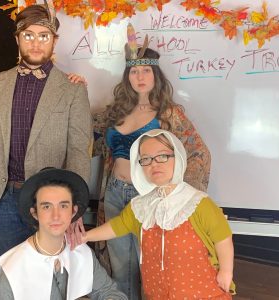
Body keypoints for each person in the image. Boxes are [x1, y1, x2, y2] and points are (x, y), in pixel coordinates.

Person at [89, 24, 211, 299]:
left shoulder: (168, 114)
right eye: (134, 71)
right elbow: (84, 139)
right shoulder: (114, 112)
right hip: (114, 195)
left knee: (153, 264)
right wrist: (74, 87)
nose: (139, 76)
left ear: (155, 74)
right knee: (121, 267)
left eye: (145, 70)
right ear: (127, 76)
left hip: (150, 197)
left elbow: (199, 153)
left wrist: (179, 197)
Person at [0, 3, 92, 261]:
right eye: (28, 35)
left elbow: (79, 152)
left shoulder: (72, 90)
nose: (36, 43)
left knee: (49, 276)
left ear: (54, 41)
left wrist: (74, 208)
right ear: (17, 39)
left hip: (52, 201)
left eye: (43, 36)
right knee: (7, 273)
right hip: (5, 199)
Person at [79, 129, 235, 299]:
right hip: (158, 293)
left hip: (202, 292)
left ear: (178, 157)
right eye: (146, 159)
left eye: (162, 156)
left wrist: (226, 271)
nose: (154, 164)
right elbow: (117, 226)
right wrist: (85, 237)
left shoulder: (198, 203)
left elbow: (223, 237)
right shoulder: (142, 206)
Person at [0, 168, 128, 300]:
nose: (56, 216)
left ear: (73, 211)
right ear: (34, 213)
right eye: (46, 207)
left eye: (63, 206)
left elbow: (111, 292)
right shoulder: (13, 269)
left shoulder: (82, 254)